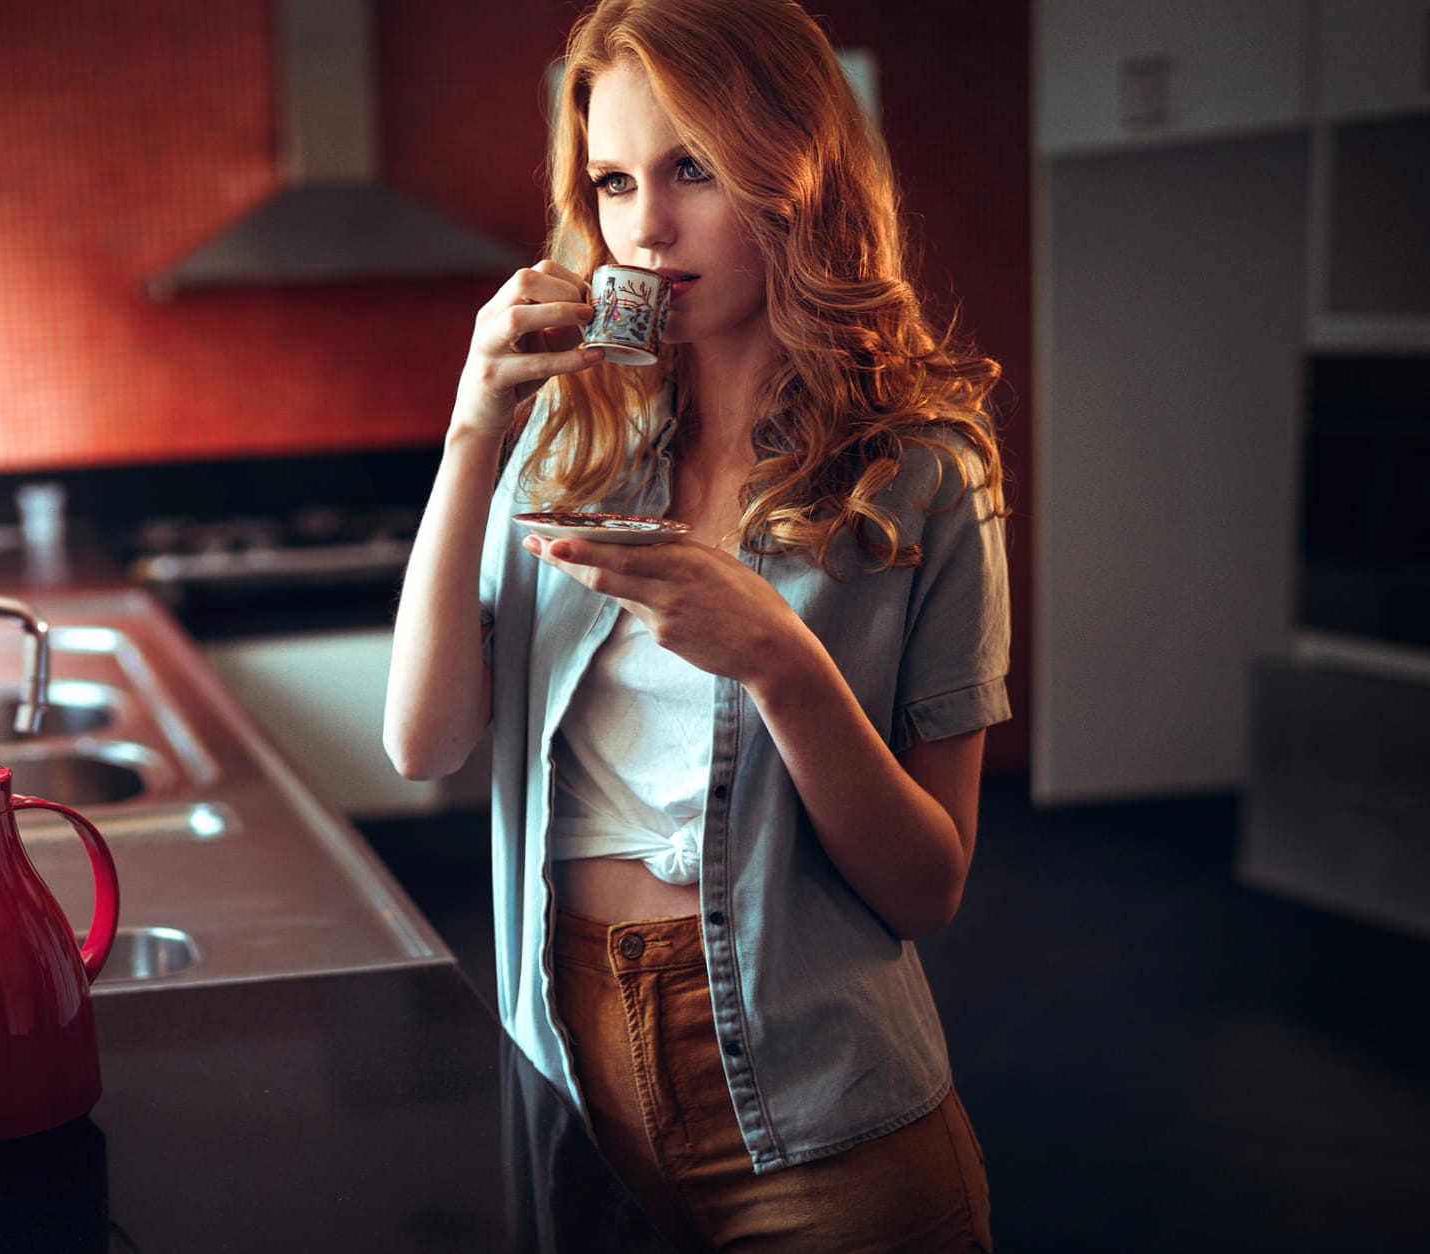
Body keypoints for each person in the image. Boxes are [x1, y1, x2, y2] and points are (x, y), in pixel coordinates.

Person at [383, 1, 1008, 1249]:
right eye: (612, 180)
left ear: (800, 175)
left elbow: (926, 886)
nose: (644, 227)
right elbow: (423, 742)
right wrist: (470, 433)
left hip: (825, 1129)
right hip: (567, 1092)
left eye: (693, 170)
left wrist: (780, 660)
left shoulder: (923, 473)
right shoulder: (568, 441)